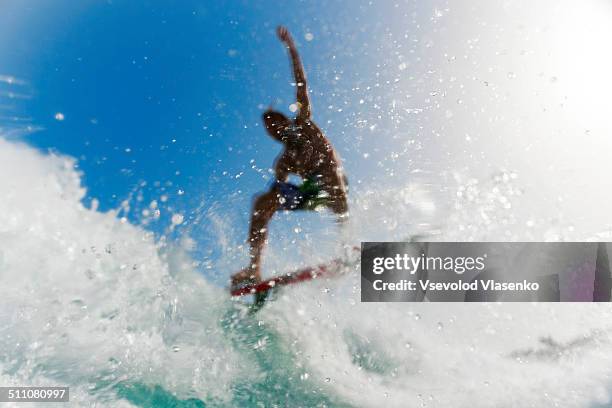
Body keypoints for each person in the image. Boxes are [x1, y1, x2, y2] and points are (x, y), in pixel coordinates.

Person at [231, 26, 349, 290]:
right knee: (261, 201)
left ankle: (347, 244)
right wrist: (272, 202)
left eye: (275, 122)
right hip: (312, 194)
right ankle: (254, 268)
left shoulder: (303, 122)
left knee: (329, 173)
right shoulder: (283, 162)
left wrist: (292, 49)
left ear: (286, 120)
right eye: (268, 129)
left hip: (336, 182)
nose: (273, 129)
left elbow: (301, 85)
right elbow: (279, 192)